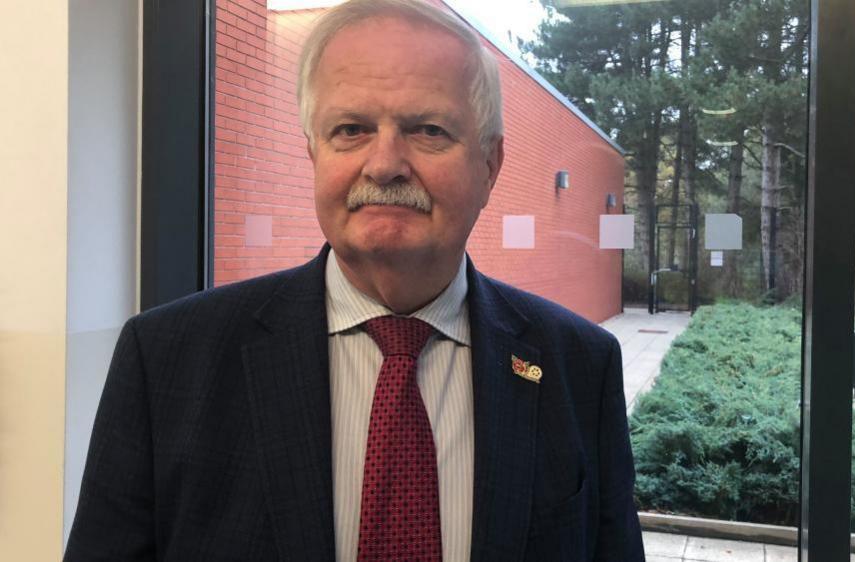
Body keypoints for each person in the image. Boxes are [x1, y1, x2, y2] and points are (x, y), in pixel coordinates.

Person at [64, 0, 644, 560]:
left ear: (489, 166)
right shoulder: (165, 359)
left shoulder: (579, 366)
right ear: (314, 153)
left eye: (428, 130)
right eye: (351, 129)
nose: (385, 163)